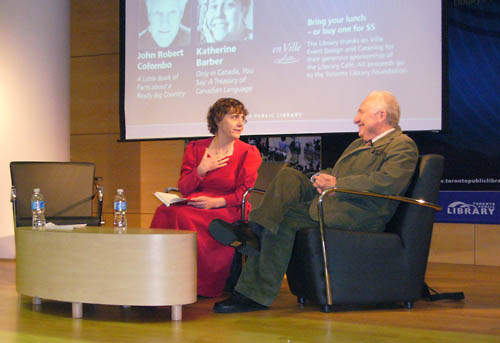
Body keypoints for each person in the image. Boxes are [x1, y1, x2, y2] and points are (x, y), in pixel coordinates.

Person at [208, 90, 419, 312]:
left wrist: (336, 183)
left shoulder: (402, 145)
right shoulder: (359, 144)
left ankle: (252, 287)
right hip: (335, 202)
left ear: (381, 115)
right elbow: (336, 171)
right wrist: (319, 178)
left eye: (361, 112)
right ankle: (254, 229)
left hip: (361, 213)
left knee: (283, 220)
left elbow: (387, 182)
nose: (356, 119)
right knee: (289, 176)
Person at [150, 98, 262, 297]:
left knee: (185, 217)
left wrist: (216, 202)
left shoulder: (248, 153)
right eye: (234, 117)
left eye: (243, 118)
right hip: (196, 202)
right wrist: (201, 170)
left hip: (229, 206)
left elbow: (244, 192)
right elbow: (184, 188)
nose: (240, 123)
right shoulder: (196, 149)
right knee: (165, 212)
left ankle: (197, 284)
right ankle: (160, 275)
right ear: (218, 120)